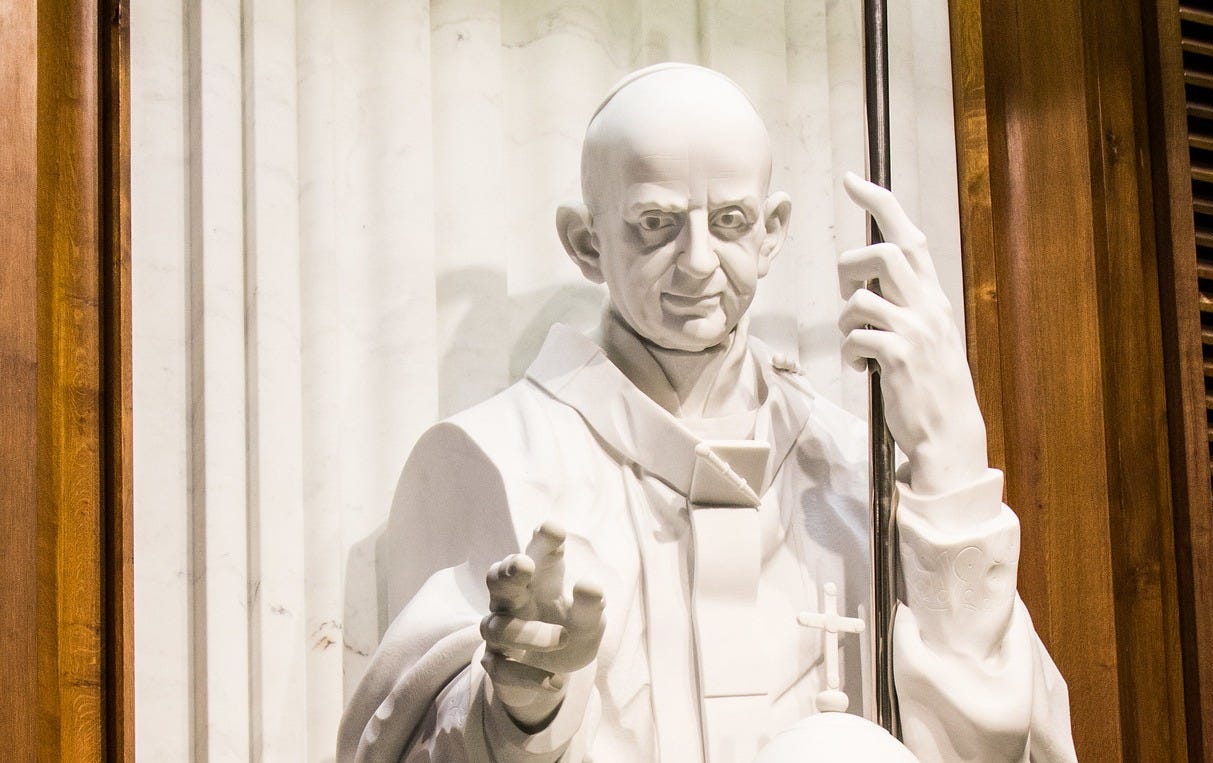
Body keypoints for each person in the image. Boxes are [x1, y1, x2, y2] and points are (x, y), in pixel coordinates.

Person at [337, 63, 1077, 763]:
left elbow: (997, 746)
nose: (697, 261)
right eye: (656, 222)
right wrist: (521, 708)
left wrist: (952, 467)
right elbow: (404, 741)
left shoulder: (851, 468)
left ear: (772, 230)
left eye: (729, 220)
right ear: (586, 242)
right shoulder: (490, 458)